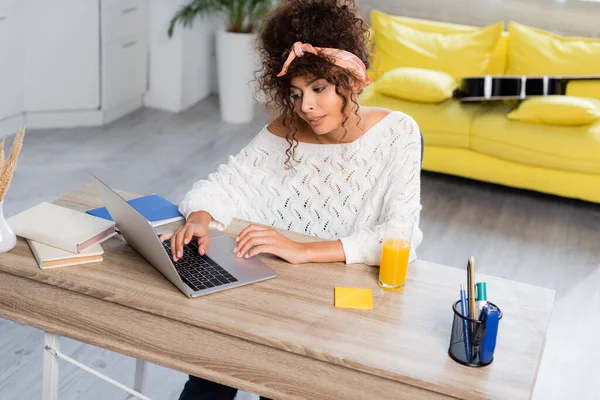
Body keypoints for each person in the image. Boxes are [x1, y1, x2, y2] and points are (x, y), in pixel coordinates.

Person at [160, 0, 423, 398]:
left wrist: (301, 250)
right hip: (268, 289)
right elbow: (223, 185)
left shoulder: (398, 133)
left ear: (351, 80)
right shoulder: (286, 129)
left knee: (280, 384)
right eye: (297, 93)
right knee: (209, 369)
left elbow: (399, 237)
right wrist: (199, 217)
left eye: (318, 90)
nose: (307, 107)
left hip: (336, 306)